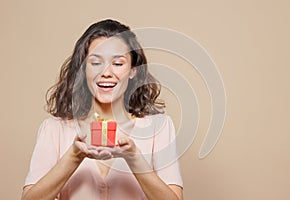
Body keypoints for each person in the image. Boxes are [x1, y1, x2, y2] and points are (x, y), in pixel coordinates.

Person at [22, 19, 183, 200]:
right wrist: (74, 156)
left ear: (133, 71)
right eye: (96, 62)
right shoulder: (54, 129)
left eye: (118, 63)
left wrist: (133, 157)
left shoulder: (158, 128)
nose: (106, 72)